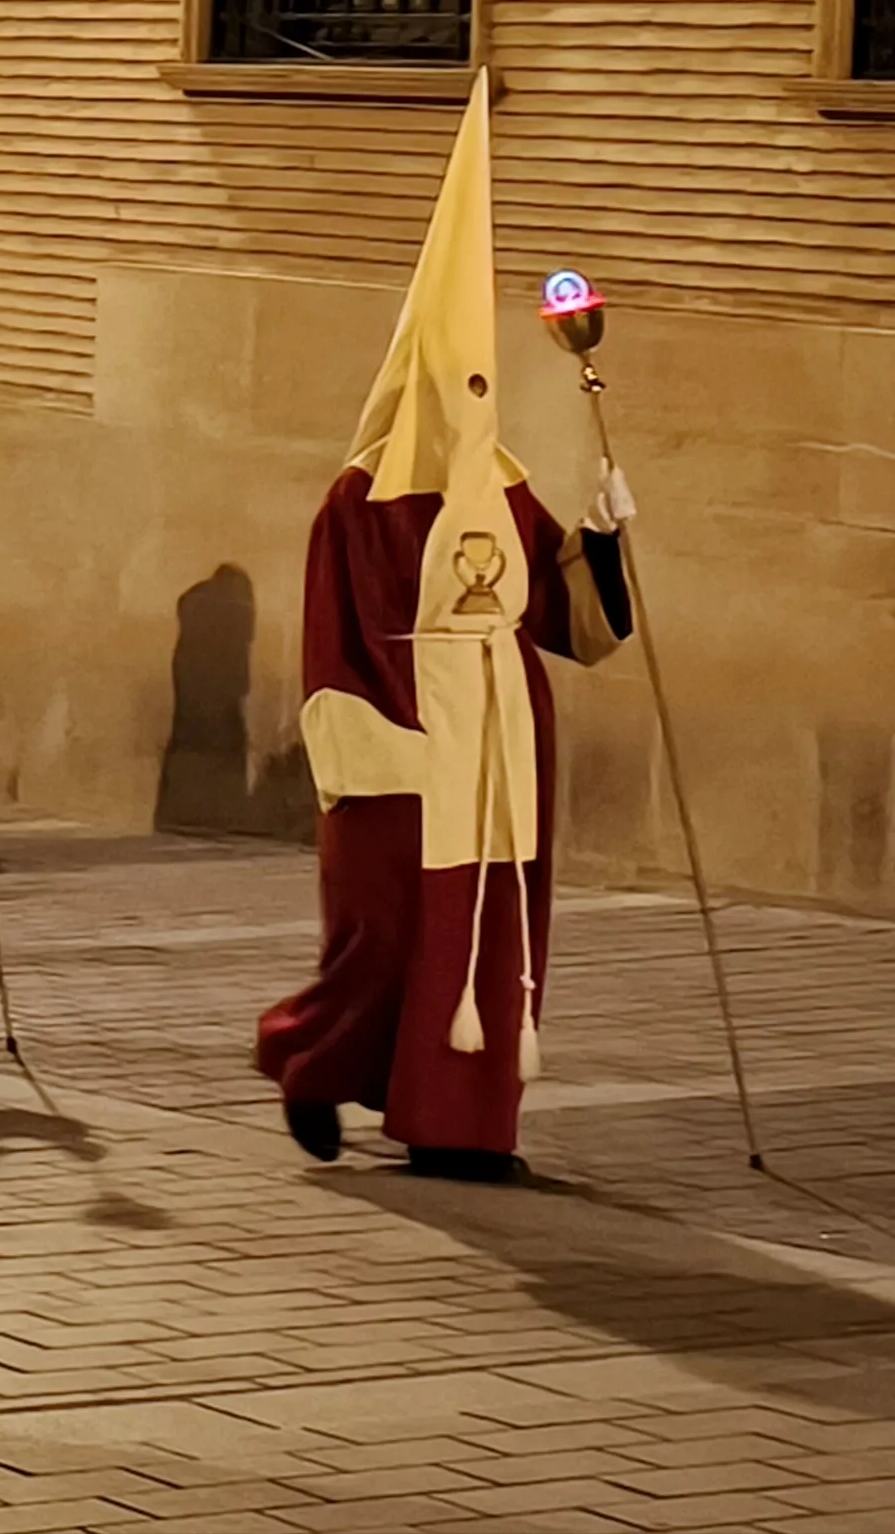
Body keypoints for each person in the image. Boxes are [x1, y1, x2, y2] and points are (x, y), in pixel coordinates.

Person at [258, 89, 630, 1184]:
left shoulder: (503, 491)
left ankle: (461, 1124)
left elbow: (560, 614)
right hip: (404, 743)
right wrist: (376, 750)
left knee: (490, 925)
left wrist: (604, 538)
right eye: (458, 380)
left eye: (484, 382)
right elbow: (331, 639)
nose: (474, 399)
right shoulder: (357, 500)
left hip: (500, 733)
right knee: (381, 934)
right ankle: (311, 1060)